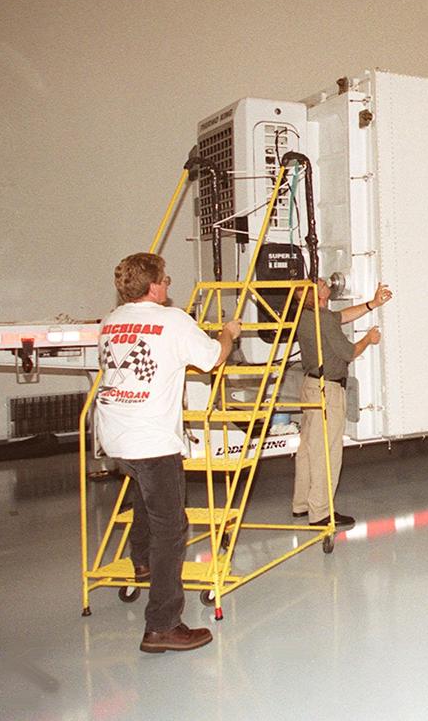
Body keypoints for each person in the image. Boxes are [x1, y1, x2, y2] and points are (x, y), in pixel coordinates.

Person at [95, 253, 241, 653]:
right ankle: (162, 625)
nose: (168, 286)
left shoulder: (111, 321)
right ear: (154, 286)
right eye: (165, 280)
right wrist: (229, 333)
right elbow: (212, 359)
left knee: (146, 498)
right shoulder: (172, 320)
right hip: (153, 442)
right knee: (171, 529)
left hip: (115, 438)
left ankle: (139, 559)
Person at [292, 278, 393, 528]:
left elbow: (341, 317)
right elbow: (348, 353)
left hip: (311, 386)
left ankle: (302, 504)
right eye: (323, 284)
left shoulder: (305, 316)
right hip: (328, 390)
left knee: (307, 449)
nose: (328, 284)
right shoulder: (323, 319)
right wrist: (368, 339)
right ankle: (321, 513)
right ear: (317, 296)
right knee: (327, 452)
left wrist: (372, 304)